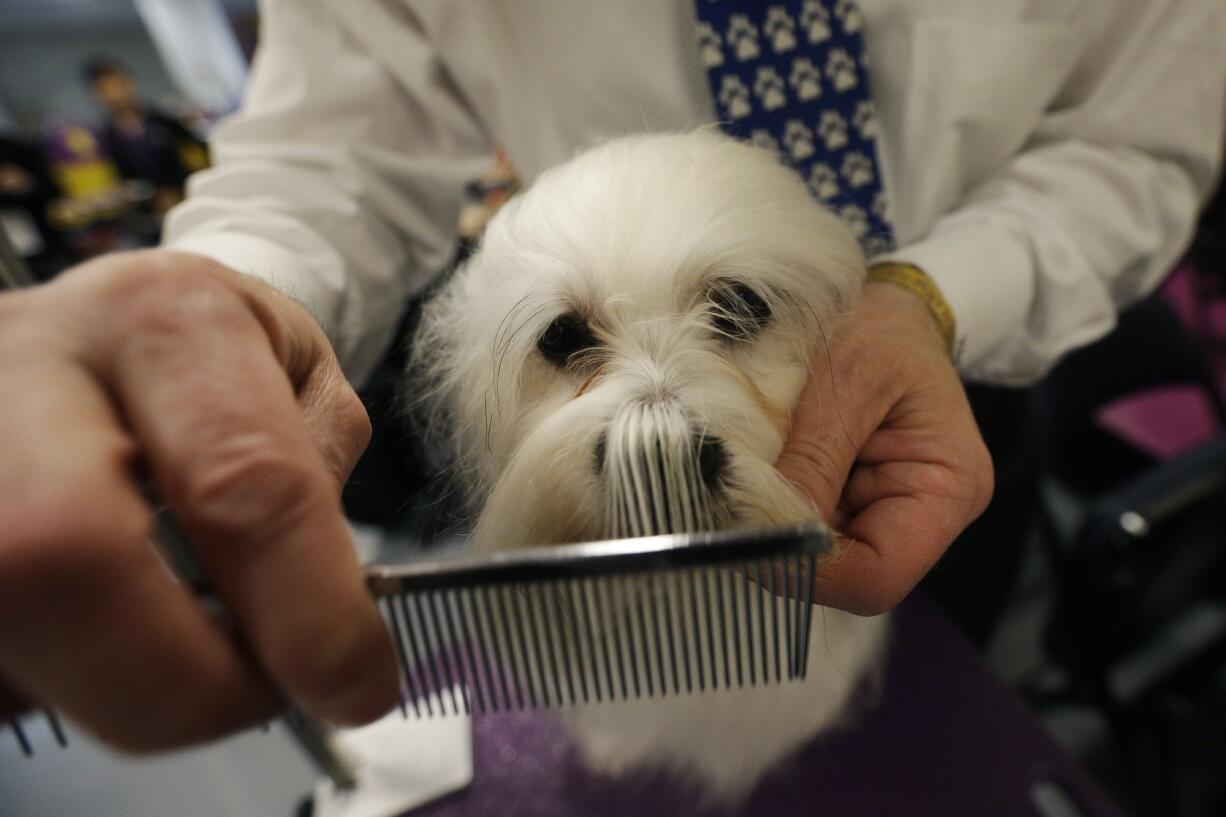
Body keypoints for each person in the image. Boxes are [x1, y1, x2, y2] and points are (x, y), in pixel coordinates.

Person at [1, 0, 1222, 752]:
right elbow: (330, 152)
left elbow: (1132, 144)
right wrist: (208, 311)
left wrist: (927, 297)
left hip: (948, 392)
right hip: (577, 434)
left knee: (911, 732)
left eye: (736, 307)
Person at [84, 57, 209, 219]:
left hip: (193, 201)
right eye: (105, 89)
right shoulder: (106, 139)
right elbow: (121, 181)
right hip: (152, 217)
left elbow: (200, 157)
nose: (114, 94)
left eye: (117, 84)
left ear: (129, 83)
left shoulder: (166, 121)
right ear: (96, 94)